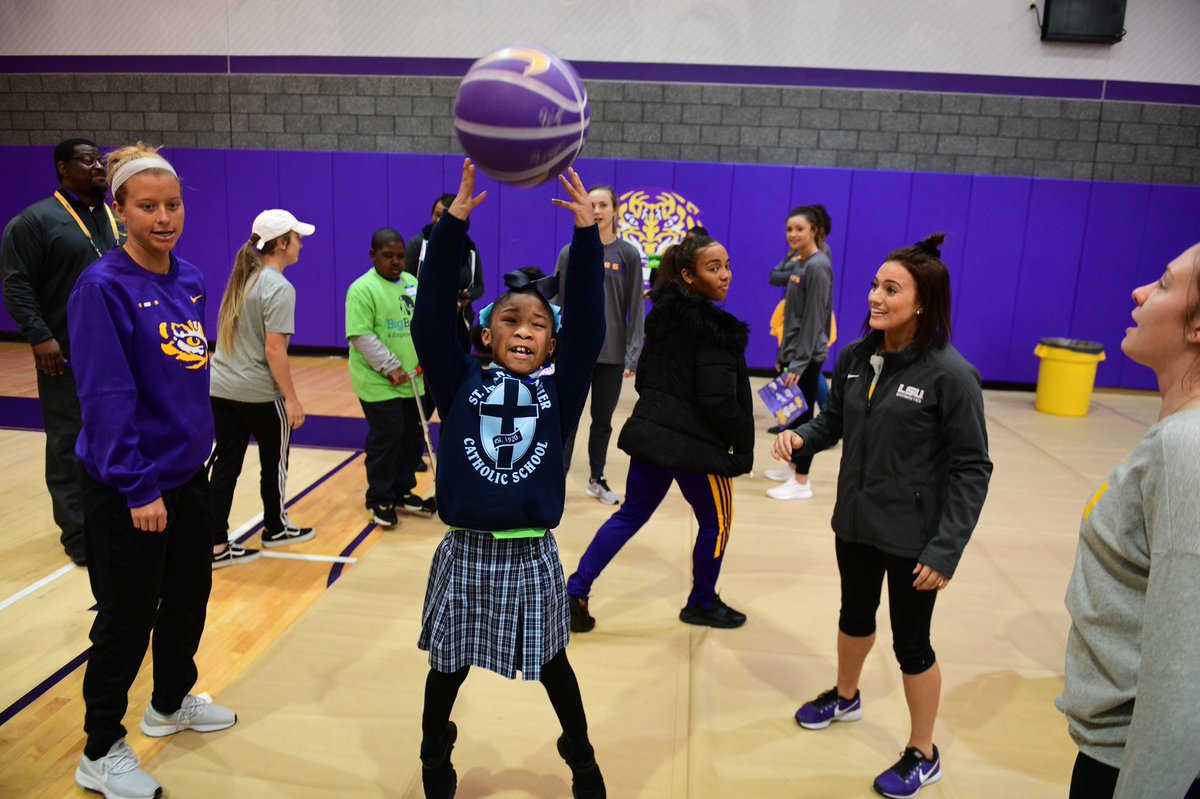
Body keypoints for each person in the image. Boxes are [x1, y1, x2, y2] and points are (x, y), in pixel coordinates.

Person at [411, 160, 607, 799]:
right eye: (510, 320)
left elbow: (591, 327)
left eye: (538, 324)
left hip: (531, 554)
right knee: (447, 668)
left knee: (555, 665)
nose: (523, 330)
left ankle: (581, 759)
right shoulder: (458, 379)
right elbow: (428, 316)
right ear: (487, 331)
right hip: (464, 551)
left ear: (552, 343)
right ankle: (434, 756)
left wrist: (586, 236)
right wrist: (452, 226)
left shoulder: (561, 389)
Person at [775, 234, 991, 798]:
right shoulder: (854, 357)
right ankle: (846, 697)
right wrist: (801, 437)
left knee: (912, 645)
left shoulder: (951, 375)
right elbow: (835, 424)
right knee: (854, 614)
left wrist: (945, 550)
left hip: (916, 540)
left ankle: (924, 752)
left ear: (921, 304)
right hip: (857, 524)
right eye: (874, 284)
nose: (875, 296)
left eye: (890, 289)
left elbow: (973, 468)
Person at [67, 142, 236, 799]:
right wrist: (138, 485)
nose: (163, 216)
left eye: (172, 204)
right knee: (126, 616)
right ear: (119, 212)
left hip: (188, 475)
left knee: (190, 596)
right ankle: (100, 748)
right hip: (129, 485)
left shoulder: (189, 277)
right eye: (148, 206)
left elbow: (188, 377)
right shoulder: (102, 287)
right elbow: (106, 397)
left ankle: (168, 702)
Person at [1057, 243, 1200, 799]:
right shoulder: (1174, 435)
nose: (1140, 292)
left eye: (1164, 284)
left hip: (1128, 764)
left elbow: (1181, 672)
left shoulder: (1185, 448)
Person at [566, 232, 753, 633]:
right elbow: (719, 401)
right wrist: (743, 440)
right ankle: (701, 602)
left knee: (631, 513)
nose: (726, 276)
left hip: (653, 437)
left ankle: (575, 591)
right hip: (696, 449)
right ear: (688, 274)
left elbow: (647, 377)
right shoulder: (718, 332)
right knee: (716, 523)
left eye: (727, 265)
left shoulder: (662, 317)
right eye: (713, 267)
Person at [2, 138, 124, 566]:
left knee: (121, 433)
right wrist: (39, 336)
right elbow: (17, 284)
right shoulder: (35, 221)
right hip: (68, 353)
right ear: (62, 169)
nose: (98, 167)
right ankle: (78, 533)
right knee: (69, 441)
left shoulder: (117, 217)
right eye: (87, 160)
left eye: (101, 160)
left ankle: (116, 517)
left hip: (121, 351)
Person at [206, 209, 316, 568]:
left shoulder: (246, 278)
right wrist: (293, 398)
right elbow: (274, 350)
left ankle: (215, 543)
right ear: (282, 243)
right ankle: (275, 526)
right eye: (297, 238)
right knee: (275, 461)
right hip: (257, 392)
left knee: (225, 464)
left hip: (222, 387)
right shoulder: (279, 287)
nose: (301, 244)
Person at [553, 184, 645, 505]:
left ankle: (596, 477)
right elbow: (557, 302)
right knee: (568, 417)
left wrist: (633, 354)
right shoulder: (570, 252)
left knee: (602, 421)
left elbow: (636, 307)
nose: (597, 210)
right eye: (591, 204)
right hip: (575, 352)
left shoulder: (628, 254)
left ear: (614, 210)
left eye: (603, 204)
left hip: (612, 354)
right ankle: (557, 479)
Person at [345, 227, 436, 528]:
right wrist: (390, 368)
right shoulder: (362, 289)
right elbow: (362, 335)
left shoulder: (411, 283)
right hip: (380, 382)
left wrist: (425, 357)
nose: (396, 262)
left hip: (414, 379)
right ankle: (380, 497)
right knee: (388, 437)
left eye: (400, 256)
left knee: (412, 439)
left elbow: (423, 324)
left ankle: (401, 490)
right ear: (373, 255)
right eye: (388, 256)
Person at [765, 206, 834, 501]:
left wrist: (800, 360)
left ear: (815, 231)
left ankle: (802, 481)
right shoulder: (800, 264)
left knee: (804, 419)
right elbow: (792, 315)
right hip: (794, 351)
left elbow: (814, 320)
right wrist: (785, 352)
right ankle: (792, 467)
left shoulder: (818, 266)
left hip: (806, 356)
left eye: (799, 229)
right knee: (791, 415)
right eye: (789, 229)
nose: (792, 234)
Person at [406, 193, 484, 355]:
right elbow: (406, 282)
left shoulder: (470, 250)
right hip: (426, 321)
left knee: (459, 375)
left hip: (459, 324)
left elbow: (479, 286)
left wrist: (467, 296)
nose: (438, 220)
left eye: (445, 216)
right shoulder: (418, 244)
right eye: (436, 214)